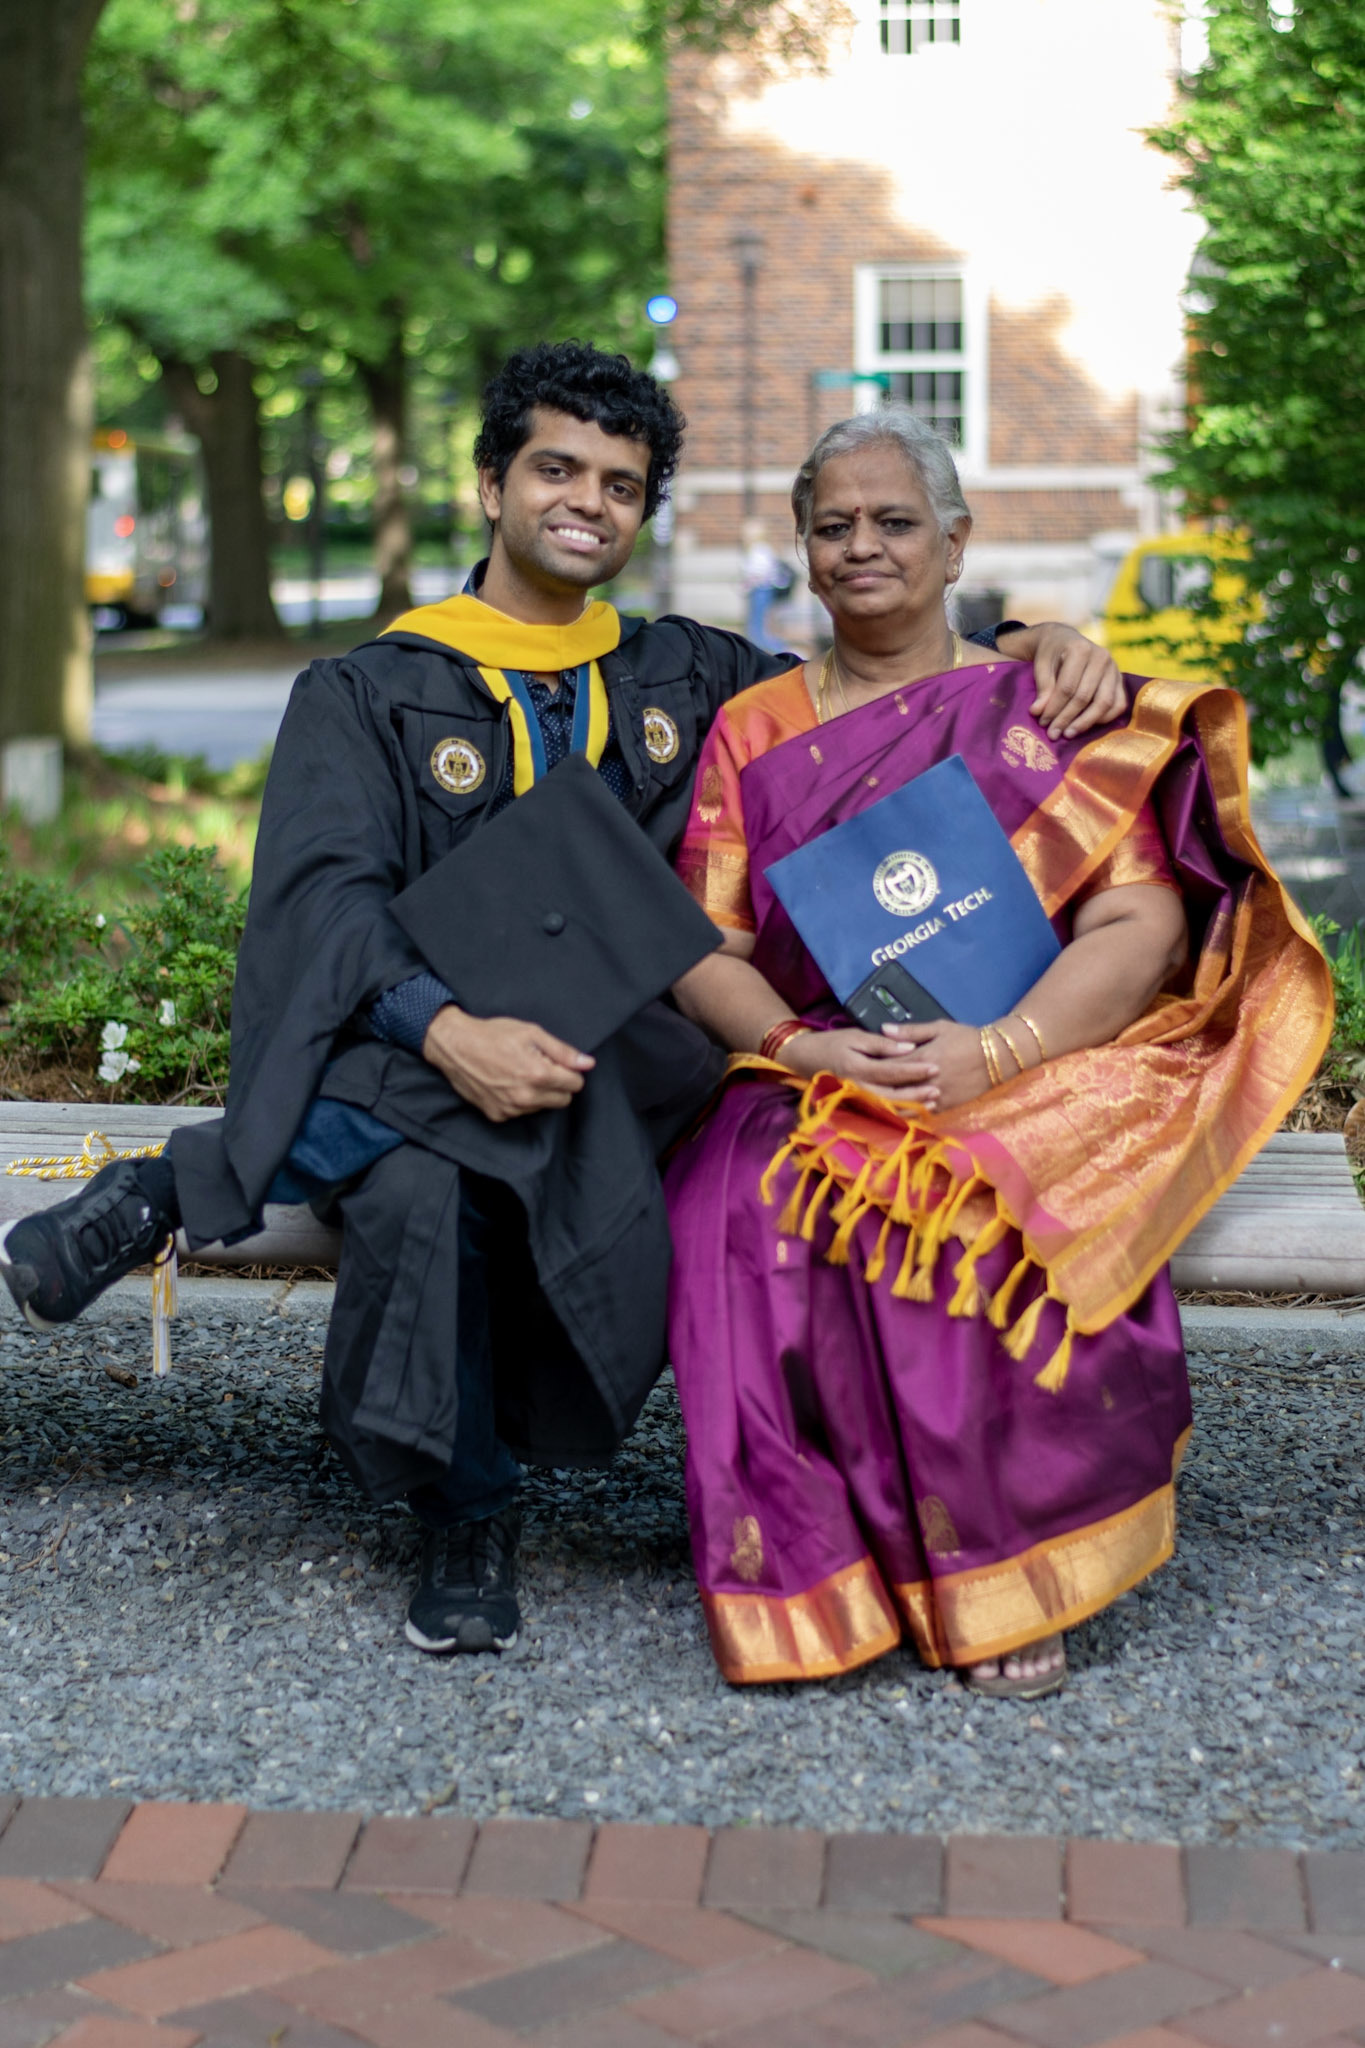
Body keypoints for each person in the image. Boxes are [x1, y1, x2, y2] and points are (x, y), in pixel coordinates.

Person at [0, 345, 1126, 1662]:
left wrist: (1029, 636)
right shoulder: (369, 691)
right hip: (434, 1070)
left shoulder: (690, 675)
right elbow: (326, 902)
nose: (588, 500)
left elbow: (880, 666)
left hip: (637, 1068)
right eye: (557, 468)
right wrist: (443, 1028)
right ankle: (469, 1512)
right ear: (491, 485)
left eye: (621, 482)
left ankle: (176, 1190)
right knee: (430, 1180)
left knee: (603, 960)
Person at [666, 408, 1330, 1699]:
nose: (863, 547)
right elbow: (705, 950)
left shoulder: (1041, 702)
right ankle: (825, 1568)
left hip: (1033, 1057)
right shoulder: (755, 728)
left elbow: (1136, 920)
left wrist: (1000, 1050)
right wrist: (807, 1054)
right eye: (833, 526)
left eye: (895, 521)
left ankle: (1007, 1570)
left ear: (958, 543)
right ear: (802, 551)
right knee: (742, 1206)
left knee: (976, 1207)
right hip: (821, 1069)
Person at [741, 518, 792, 652]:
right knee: (758, 625)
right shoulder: (762, 549)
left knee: (758, 626)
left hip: (761, 590)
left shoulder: (759, 550)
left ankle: (779, 649)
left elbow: (760, 572)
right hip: (761, 589)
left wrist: (747, 584)